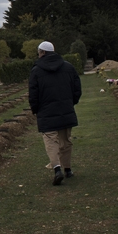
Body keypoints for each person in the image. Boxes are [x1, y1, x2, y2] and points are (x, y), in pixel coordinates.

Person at [29, 41, 82, 185]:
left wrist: (35, 109)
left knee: (51, 141)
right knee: (65, 141)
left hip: (46, 112)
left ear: (43, 53)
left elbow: (33, 94)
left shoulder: (36, 71)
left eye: (39, 52)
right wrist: (71, 103)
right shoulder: (68, 67)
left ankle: (57, 169)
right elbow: (77, 88)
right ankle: (68, 170)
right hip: (66, 109)